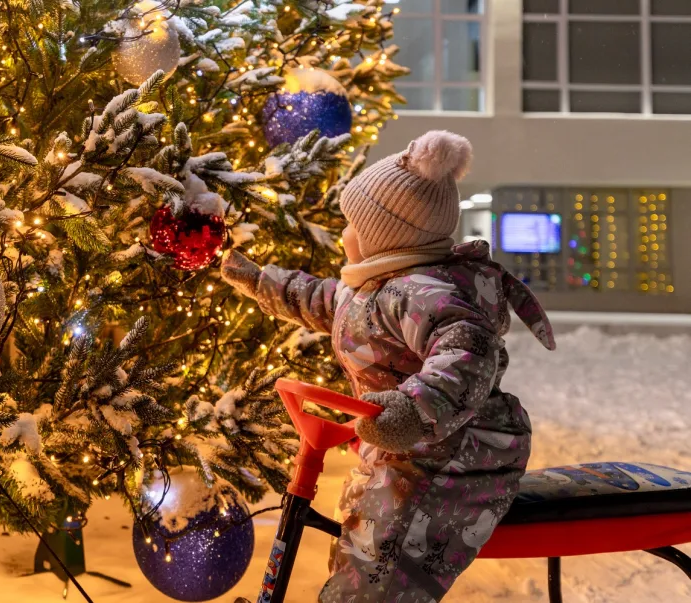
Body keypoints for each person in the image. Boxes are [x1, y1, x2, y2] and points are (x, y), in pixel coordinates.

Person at [222, 131, 555, 602]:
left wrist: (412, 411)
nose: (344, 236)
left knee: (385, 556)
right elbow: (317, 298)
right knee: (360, 532)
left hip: (455, 451)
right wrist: (259, 280)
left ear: (387, 237)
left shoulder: (422, 294)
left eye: (353, 225)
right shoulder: (373, 289)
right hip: (402, 445)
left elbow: (468, 349)